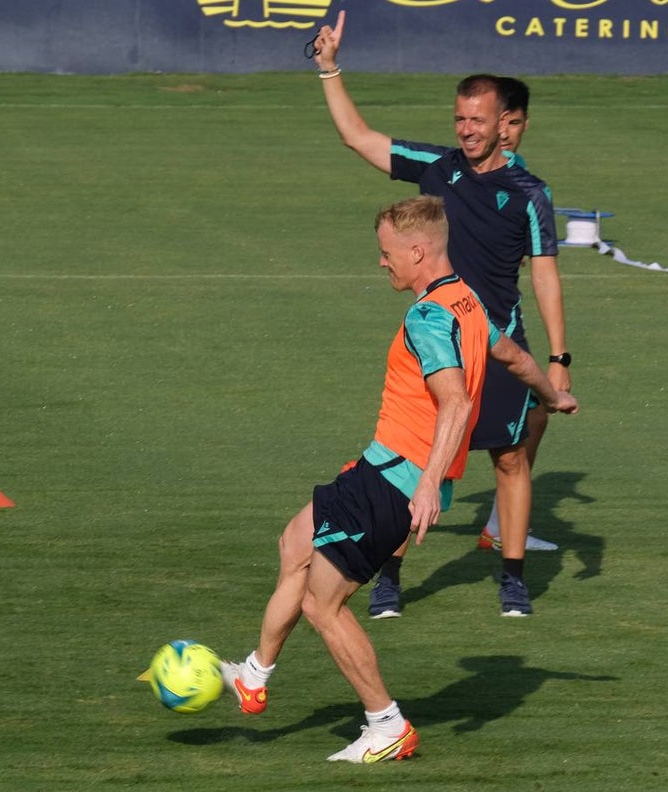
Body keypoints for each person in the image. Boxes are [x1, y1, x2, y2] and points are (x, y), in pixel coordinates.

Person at [219, 196, 578, 763]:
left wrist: (430, 482)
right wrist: (552, 394)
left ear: (417, 251)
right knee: (295, 543)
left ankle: (387, 724)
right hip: (380, 468)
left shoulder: (430, 316)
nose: (382, 263)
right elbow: (511, 354)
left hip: (398, 481)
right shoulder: (465, 300)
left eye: (387, 254)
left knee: (323, 605)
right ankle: (254, 675)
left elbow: (456, 404)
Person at [311, 12, 573, 618]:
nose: (466, 128)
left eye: (476, 120)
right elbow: (359, 138)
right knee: (411, 463)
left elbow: (545, 274)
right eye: (459, 118)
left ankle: (511, 575)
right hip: (440, 347)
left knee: (510, 459)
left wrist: (558, 360)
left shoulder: (530, 193)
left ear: (505, 125)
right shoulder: (437, 168)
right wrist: (329, 68)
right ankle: (389, 576)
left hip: (499, 346)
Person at [476, 76, 562, 553]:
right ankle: (388, 567)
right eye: (499, 121)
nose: (506, 132)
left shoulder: (524, 178)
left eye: (514, 122)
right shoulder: (469, 169)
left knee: (536, 417)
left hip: (504, 323)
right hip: (465, 323)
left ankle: (499, 525)